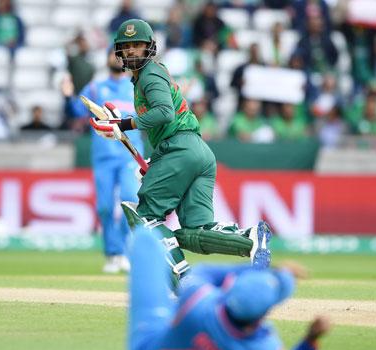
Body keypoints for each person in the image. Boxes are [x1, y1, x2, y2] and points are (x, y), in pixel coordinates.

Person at [89, 19, 273, 284]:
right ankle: (251, 238)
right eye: (126, 46)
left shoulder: (150, 74)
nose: (131, 51)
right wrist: (157, 159)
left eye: (137, 45)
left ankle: (181, 280)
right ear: (119, 51)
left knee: (144, 217)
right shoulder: (149, 75)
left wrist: (124, 124)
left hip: (180, 149)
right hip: (196, 151)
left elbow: (163, 114)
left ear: (149, 47)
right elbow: (169, 121)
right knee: (194, 231)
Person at [111, 226, 330, 350]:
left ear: (229, 291)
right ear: (264, 312)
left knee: (146, 239)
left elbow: (205, 271)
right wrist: (309, 341)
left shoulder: (199, 299)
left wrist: (268, 271)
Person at [64, 48, 143, 274]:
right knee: (106, 208)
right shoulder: (96, 87)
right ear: (107, 58)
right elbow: (76, 111)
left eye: (120, 56)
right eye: (113, 55)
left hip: (130, 155)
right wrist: (68, 95)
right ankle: (112, 254)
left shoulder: (136, 87)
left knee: (130, 202)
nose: (117, 59)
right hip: (104, 158)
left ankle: (125, 252)